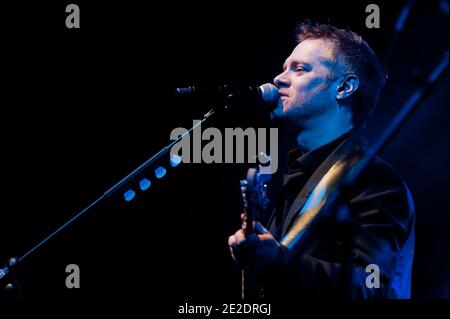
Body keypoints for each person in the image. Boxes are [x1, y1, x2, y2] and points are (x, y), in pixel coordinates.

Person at [228, 22, 415, 299]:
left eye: (299, 68)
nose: (279, 78)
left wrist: (278, 260)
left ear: (344, 87)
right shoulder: (296, 176)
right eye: (284, 67)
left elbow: (370, 286)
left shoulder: (374, 180)